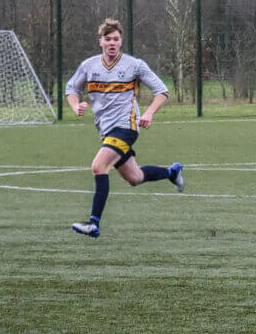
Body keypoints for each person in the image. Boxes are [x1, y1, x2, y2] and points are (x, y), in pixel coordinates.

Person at [65, 19, 182, 238]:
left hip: (126, 126)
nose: (112, 43)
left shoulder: (134, 65)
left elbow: (162, 91)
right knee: (135, 177)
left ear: (121, 42)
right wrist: (75, 105)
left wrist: (148, 113)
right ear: (100, 41)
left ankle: (93, 223)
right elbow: (71, 87)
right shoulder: (89, 66)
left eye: (116, 39)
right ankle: (171, 172)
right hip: (106, 131)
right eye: (107, 39)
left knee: (99, 166)